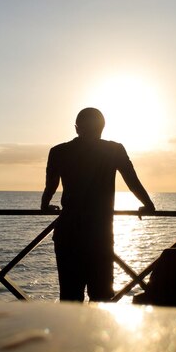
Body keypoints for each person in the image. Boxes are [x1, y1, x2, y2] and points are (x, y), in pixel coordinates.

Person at [41, 107, 155, 302]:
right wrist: (148, 204)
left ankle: (69, 333)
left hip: (68, 234)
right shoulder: (114, 150)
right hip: (99, 234)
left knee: (69, 298)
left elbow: (50, 186)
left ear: (77, 128)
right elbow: (132, 181)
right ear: (102, 128)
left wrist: (45, 205)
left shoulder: (59, 152)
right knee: (101, 298)